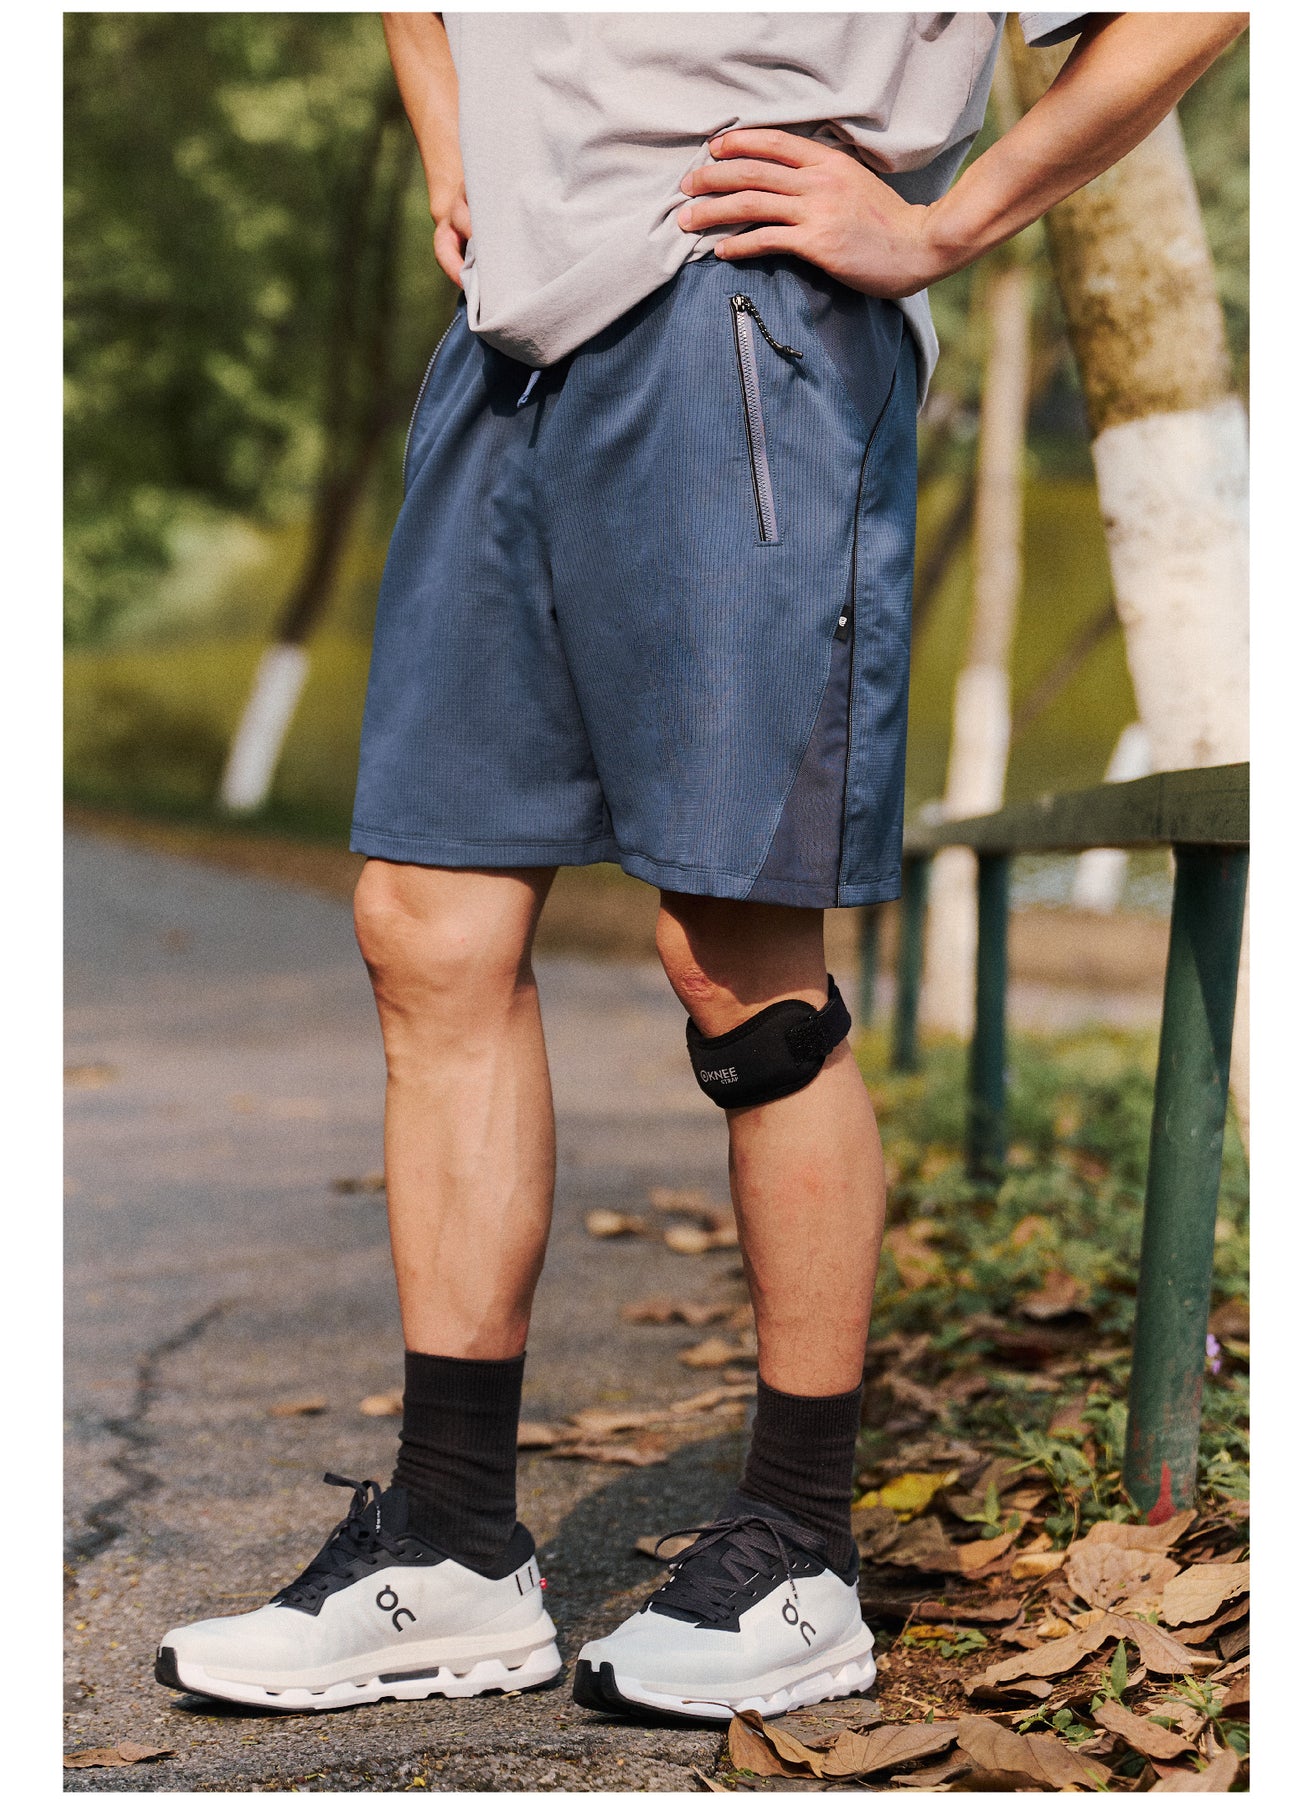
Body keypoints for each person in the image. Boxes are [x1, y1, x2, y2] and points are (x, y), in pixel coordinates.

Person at [157, 9, 1247, 1722]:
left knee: (736, 955)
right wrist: (452, 141)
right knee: (424, 922)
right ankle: (450, 1544)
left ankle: (800, 1550)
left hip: (737, 314)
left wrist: (947, 225)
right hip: (505, 340)